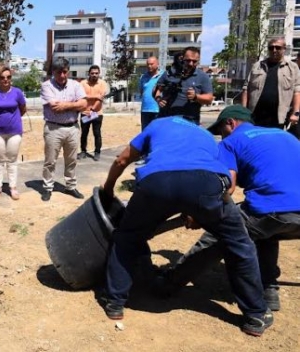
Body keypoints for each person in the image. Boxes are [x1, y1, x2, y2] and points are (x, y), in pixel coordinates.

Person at [100, 115, 272, 337]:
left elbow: (122, 160)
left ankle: (115, 303)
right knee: (239, 243)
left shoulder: (158, 124)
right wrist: (201, 209)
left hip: (156, 182)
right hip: (206, 185)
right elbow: (228, 178)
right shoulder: (207, 136)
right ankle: (255, 315)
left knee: (127, 236)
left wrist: (108, 188)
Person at [159, 105, 300, 312]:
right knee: (265, 232)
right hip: (293, 219)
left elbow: (227, 187)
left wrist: (201, 214)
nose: (221, 136)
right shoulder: (285, 135)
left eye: (221, 131)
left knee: (222, 231)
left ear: (231, 123)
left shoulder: (232, 142)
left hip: (271, 210)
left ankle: (170, 282)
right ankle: (269, 288)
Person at [40, 57, 87, 202]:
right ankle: (48, 188)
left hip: (73, 128)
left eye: (65, 72)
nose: (62, 75)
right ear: (53, 72)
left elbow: (84, 104)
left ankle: (70, 186)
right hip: (53, 128)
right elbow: (55, 107)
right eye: (59, 72)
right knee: (50, 161)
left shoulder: (76, 85)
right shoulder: (47, 86)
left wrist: (66, 106)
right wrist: (75, 104)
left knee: (72, 160)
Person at [0, 63, 26, 200]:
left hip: (15, 132)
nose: (6, 80)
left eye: (8, 77)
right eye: (3, 77)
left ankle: (13, 187)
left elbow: (23, 109)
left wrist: (12, 120)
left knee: (12, 160)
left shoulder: (17, 92)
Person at [241, 37, 300, 130]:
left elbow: (297, 92)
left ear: (284, 49)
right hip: (255, 117)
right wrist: (243, 113)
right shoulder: (257, 66)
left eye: (278, 47)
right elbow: (246, 89)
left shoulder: (292, 68)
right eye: (271, 48)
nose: (274, 50)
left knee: (275, 143)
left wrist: (296, 113)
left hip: (279, 118)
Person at [154, 46, 213, 124]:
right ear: (182, 58)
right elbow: (156, 89)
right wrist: (158, 99)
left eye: (194, 61)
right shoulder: (169, 73)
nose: (191, 63)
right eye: (188, 60)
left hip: (189, 122)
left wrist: (196, 97)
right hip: (166, 120)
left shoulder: (202, 76)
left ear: (198, 61)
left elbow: (209, 98)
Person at [135, 57, 162, 165]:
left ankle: (156, 156)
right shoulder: (143, 77)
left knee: (157, 134)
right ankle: (145, 156)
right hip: (145, 109)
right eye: (147, 64)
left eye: (151, 64)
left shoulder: (163, 76)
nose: (149, 66)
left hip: (158, 110)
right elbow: (141, 91)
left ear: (157, 64)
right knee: (145, 133)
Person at [78, 65, 108, 162]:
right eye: (92, 73)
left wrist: (93, 109)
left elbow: (100, 99)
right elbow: (81, 96)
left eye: (96, 73)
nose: (94, 75)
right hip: (84, 113)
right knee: (84, 134)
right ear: (89, 74)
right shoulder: (83, 83)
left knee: (97, 133)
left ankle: (97, 152)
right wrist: (95, 96)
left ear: (99, 74)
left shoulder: (103, 83)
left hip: (97, 114)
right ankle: (83, 151)